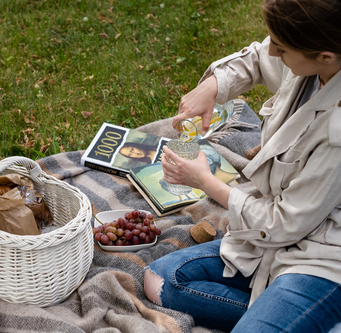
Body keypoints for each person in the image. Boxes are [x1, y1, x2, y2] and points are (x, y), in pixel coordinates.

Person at [143, 0, 341, 332]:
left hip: (322, 258)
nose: (273, 52)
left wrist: (206, 182)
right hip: (274, 240)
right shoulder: (315, 54)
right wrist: (211, 87)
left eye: (282, 47)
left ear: (324, 56)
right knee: (161, 280)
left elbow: (283, 223)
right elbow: (258, 58)